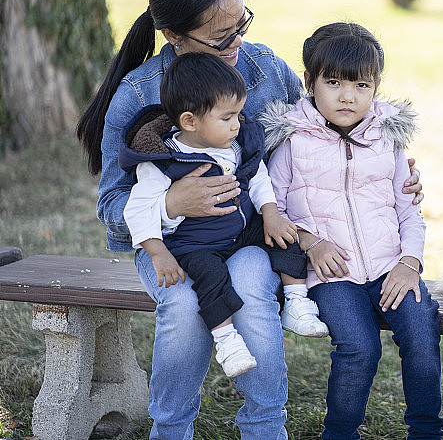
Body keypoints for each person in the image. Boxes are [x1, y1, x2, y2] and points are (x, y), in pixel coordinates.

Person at [75, 0, 422, 439]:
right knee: (184, 305)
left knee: (254, 295)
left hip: (250, 237)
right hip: (173, 247)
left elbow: (324, 131)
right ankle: (170, 429)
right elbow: (112, 207)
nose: (238, 43)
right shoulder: (138, 95)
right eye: (221, 38)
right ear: (174, 36)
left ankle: (264, 428)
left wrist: (386, 172)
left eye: (242, 24)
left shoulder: (264, 69)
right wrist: (173, 204)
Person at [260, 22, 443, 439]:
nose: (348, 96)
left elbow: (410, 211)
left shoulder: (387, 139)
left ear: (376, 86)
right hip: (331, 276)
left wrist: (410, 263)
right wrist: (310, 243)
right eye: (334, 82)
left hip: (389, 267)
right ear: (309, 82)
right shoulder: (293, 141)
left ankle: (427, 431)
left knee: (420, 332)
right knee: (360, 348)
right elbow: (272, 208)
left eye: (362, 84)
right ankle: (340, 433)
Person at [120, 52, 328, 378]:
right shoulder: (163, 160)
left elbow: (256, 175)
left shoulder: (237, 142)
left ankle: (297, 300)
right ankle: (226, 339)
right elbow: (137, 210)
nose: (237, 123)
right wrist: (158, 253)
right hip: (197, 244)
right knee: (209, 277)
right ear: (190, 122)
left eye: (238, 113)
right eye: (227, 117)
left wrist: (271, 213)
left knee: (285, 235)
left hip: (241, 229)